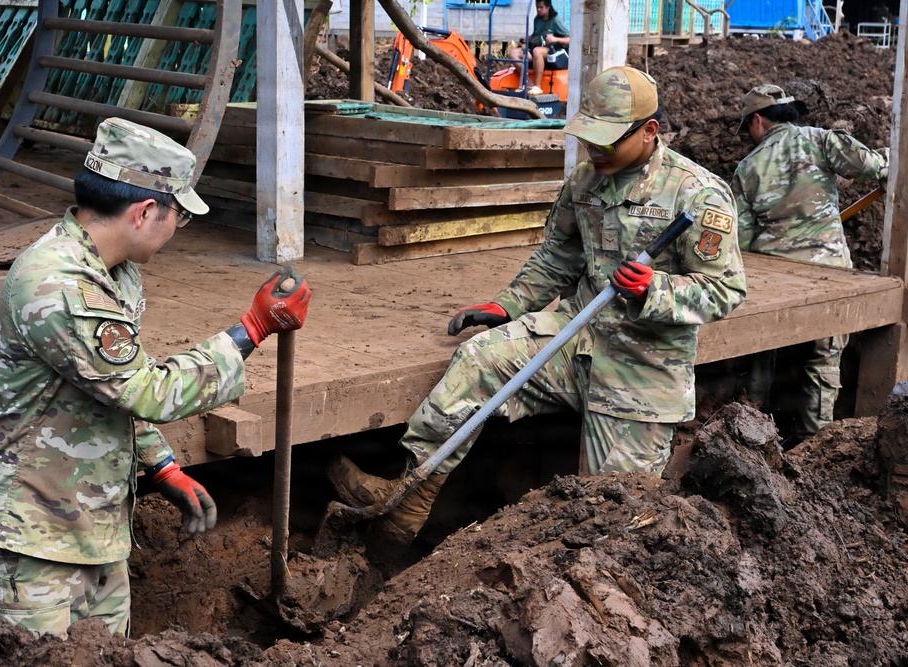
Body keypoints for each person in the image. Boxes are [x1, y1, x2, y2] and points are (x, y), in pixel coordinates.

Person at [328, 66, 747, 545]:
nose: (594, 150)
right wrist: (508, 305)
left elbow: (725, 289)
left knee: (612, 513)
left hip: (642, 367)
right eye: (588, 138)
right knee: (479, 359)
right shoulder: (586, 181)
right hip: (576, 338)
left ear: (649, 131)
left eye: (607, 141)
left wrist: (655, 290)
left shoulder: (697, 194)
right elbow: (558, 258)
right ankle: (409, 500)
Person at [0, 117, 311, 639]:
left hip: (90, 528)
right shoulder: (60, 284)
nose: (177, 229)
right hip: (24, 543)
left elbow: (111, 385)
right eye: (179, 216)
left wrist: (160, 466)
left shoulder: (113, 270)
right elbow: (146, 390)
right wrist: (251, 329)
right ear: (143, 212)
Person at [731, 84, 888, 441]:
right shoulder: (821, 140)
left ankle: (750, 435)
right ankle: (818, 445)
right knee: (823, 359)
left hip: (772, 280)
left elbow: (741, 240)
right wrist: (888, 160)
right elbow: (872, 166)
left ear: (757, 120)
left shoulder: (748, 167)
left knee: (759, 353)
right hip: (828, 273)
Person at [507, 0, 570, 95]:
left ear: (548, 7)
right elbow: (535, 35)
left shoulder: (556, 20)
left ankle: (537, 86)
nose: (539, 10)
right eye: (537, 7)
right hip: (537, 48)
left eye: (541, 7)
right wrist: (526, 40)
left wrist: (555, 39)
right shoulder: (537, 19)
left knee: (537, 51)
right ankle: (529, 83)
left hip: (554, 51)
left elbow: (570, 39)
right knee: (513, 53)